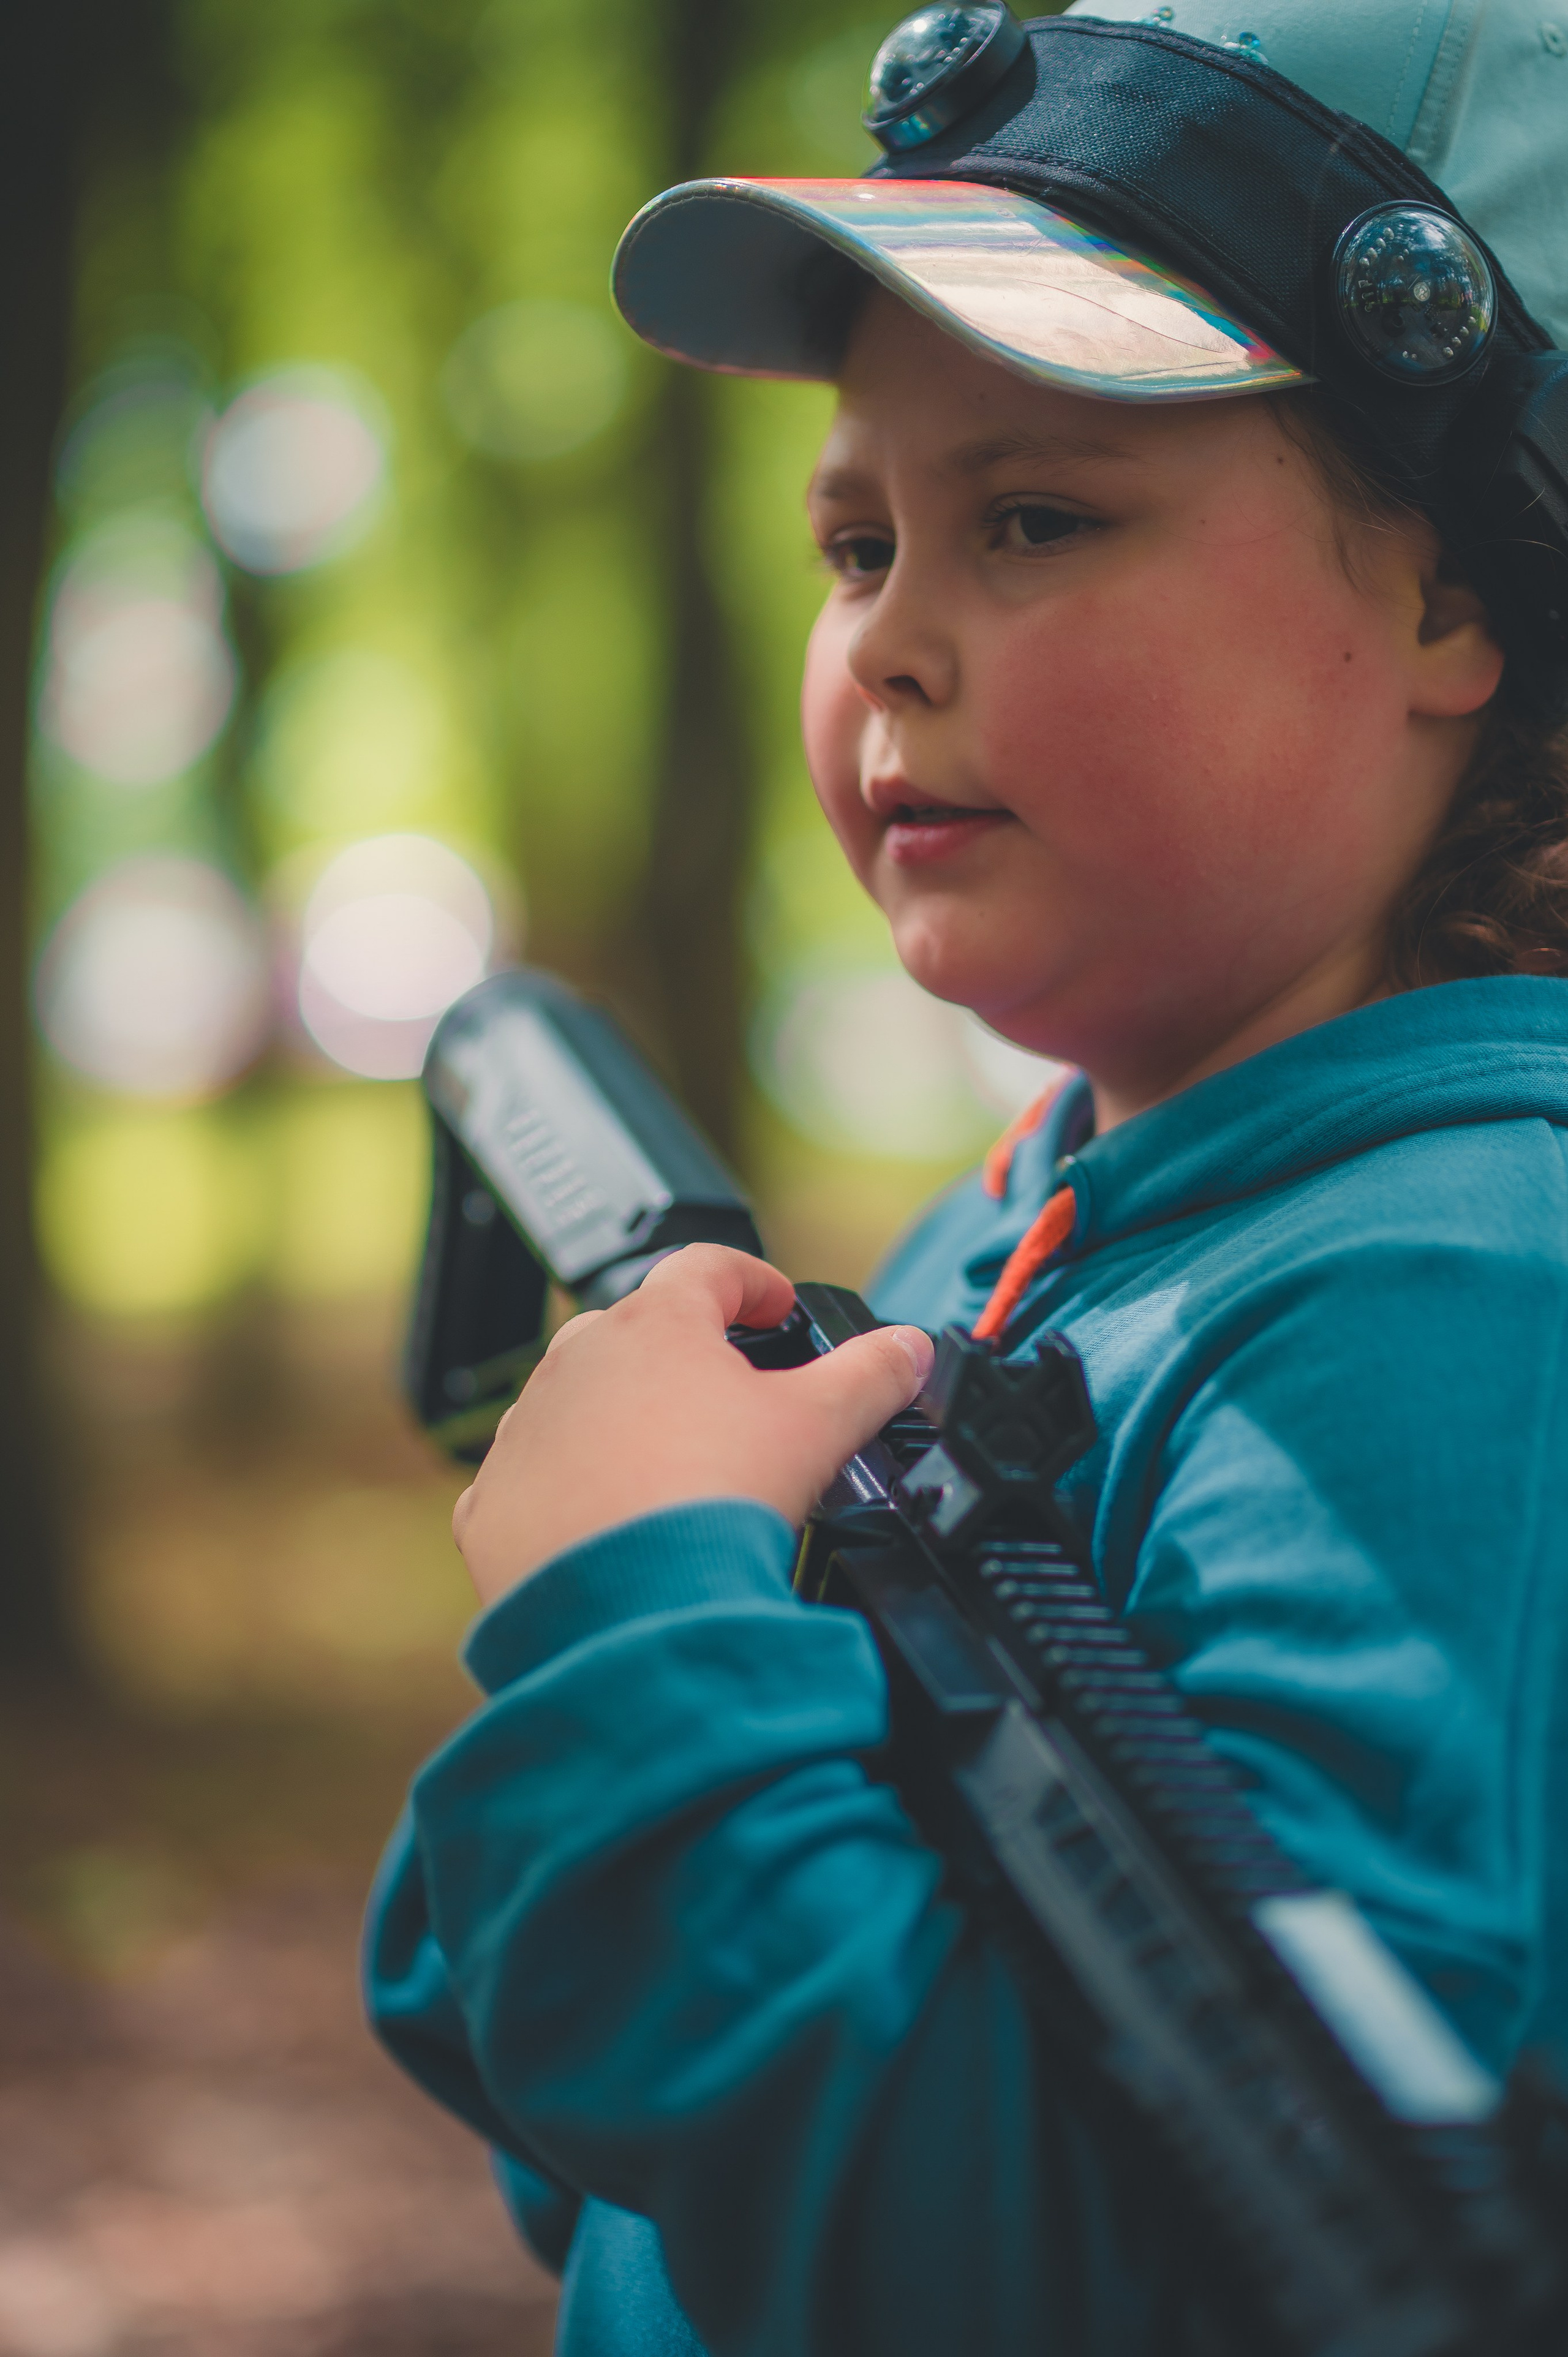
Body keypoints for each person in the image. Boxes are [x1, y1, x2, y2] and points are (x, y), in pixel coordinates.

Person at [364, 4, 1568, 2350]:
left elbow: (1149, 2284)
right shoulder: (1037, 1221)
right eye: (854, 538)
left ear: (1456, 605)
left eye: (1035, 516)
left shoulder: (1456, 1309)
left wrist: (642, 1621)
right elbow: (551, 2068)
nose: (890, 636)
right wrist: (619, 1632)